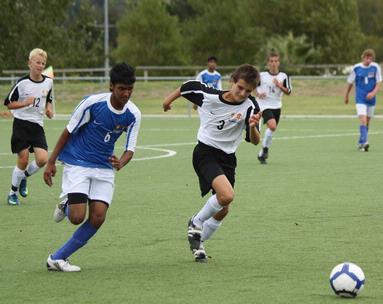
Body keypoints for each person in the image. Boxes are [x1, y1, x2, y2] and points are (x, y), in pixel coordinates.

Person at [43, 63, 141, 272]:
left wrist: (120, 162)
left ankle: (57, 258)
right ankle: (67, 203)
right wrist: (51, 162)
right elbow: (68, 131)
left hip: (104, 168)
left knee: (97, 218)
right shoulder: (92, 103)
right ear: (111, 86)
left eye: (130, 89)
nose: (126, 93)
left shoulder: (133, 114)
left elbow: (130, 148)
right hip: (79, 161)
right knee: (76, 217)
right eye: (121, 89)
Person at [163, 64, 262, 262]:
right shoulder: (208, 95)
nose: (242, 93)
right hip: (205, 152)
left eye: (248, 91)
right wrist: (167, 101)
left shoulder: (251, 106)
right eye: (240, 87)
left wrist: (252, 127)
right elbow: (186, 87)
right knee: (226, 195)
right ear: (232, 81)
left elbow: (255, 141)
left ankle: (198, 245)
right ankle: (196, 221)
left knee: (223, 208)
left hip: (228, 159)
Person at [4, 48, 54, 205]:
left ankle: (23, 176)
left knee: (42, 159)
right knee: (24, 159)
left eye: (43, 63)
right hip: (21, 124)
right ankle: (12, 193)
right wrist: (24, 103)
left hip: (37, 125)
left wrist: (49, 109)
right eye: (37, 62)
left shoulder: (49, 82)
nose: (40, 66)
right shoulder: (22, 83)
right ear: (30, 63)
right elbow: (8, 104)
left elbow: (49, 100)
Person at [255, 51, 292, 164]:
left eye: (275, 61)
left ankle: (262, 152)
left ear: (279, 62)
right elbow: (252, 86)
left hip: (277, 105)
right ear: (267, 63)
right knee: (272, 125)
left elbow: (289, 92)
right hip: (264, 105)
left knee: (271, 129)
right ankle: (265, 149)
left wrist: (279, 85)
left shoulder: (284, 76)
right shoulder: (262, 76)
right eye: (271, 61)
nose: (273, 63)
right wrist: (257, 93)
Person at [344, 48, 382, 151]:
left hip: (371, 99)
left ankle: (361, 143)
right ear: (363, 57)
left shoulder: (375, 67)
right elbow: (350, 83)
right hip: (360, 98)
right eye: (367, 58)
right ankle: (365, 142)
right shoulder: (356, 68)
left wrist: (373, 93)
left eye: (371, 58)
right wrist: (346, 95)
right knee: (363, 120)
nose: (368, 60)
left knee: (368, 122)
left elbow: (379, 82)